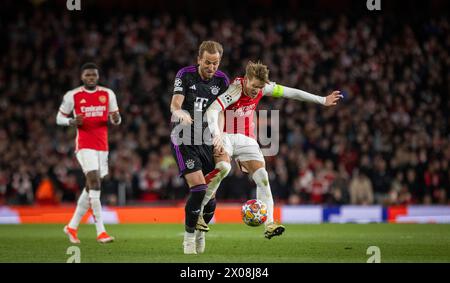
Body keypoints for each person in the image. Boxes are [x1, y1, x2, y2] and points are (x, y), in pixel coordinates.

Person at [205, 61, 342, 238]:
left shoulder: (263, 87)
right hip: (226, 136)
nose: (256, 90)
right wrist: (215, 133)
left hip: (247, 139)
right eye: (254, 86)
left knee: (263, 176)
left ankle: (269, 223)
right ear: (246, 80)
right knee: (224, 168)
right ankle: (201, 204)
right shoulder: (235, 90)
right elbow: (214, 109)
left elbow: (291, 92)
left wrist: (322, 100)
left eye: (260, 87)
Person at [169, 41, 231, 254]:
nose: (211, 67)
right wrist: (181, 114)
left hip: (208, 138)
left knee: (211, 196)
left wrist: (219, 135)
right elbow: (175, 104)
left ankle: (201, 233)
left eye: (215, 63)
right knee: (199, 188)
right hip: (184, 137)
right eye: (207, 62)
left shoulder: (222, 80)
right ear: (198, 59)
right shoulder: (185, 75)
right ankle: (188, 240)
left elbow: (222, 111)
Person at [56, 62, 121, 244]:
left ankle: (71, 226)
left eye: (94, 75)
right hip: (84, 145)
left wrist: (116, 119)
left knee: (90, 187)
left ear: (98, 77)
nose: (91, 78)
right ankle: (101, 231)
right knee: (95, 182)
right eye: (87, 75)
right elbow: (59, 117)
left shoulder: (108, 94)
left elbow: (116, 118)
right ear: (82, 77)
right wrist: (71, 122)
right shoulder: (73, 95)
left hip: (103, 146)